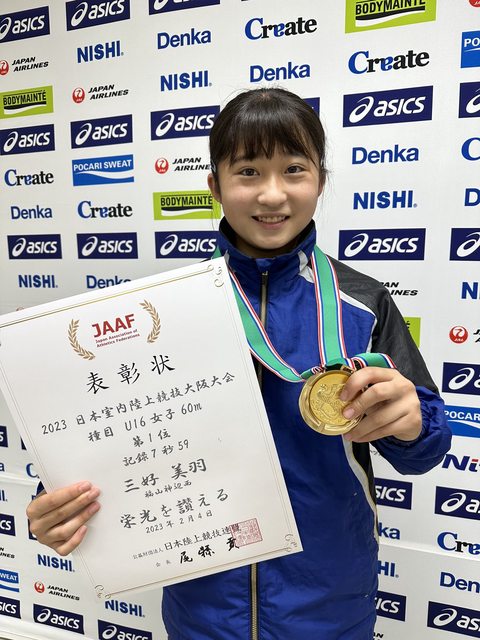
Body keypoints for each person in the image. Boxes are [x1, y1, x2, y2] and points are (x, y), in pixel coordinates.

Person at [27, 88, 451, 639]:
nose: (272, 194)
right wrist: (58, 506)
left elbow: (425, 451)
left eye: (294, 169)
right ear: (215, 186)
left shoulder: (363, 302)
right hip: (203, 600)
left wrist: (412, 425)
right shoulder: (161, 313)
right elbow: (114, 436)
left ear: (320, 180)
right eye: (248, 171)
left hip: (330, 597)